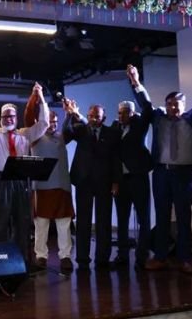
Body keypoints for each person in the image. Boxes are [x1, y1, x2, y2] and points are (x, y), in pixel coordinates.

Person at [127, 64, 192, 275]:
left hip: (184, 174)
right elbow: (145, 104)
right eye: (169, 104)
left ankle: (185, 259)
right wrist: (135, 82)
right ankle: (160, 257)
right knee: (162, 216)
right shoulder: (158, 117)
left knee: (183, 216)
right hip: (161, 173)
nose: (172, 107)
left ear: (184, 105)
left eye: (176, 104)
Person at [0, 78, 49, 267]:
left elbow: (44, 123)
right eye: (5, 116)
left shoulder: (24, 134)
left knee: (22, 223)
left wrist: (41, 98)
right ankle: (1, 263)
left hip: (21, 182)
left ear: (16, 119)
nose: (8, 119)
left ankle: (21, 262)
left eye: (11, 117)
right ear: (0, 118)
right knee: (1, 223)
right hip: (2, 181)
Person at [64, 100, 121, 271]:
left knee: (104, 222)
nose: (93, 119)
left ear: (104, 118)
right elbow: (65, 135)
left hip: (105, 182)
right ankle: (82, 259)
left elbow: (116, 159)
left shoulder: (111, 133)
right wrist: (69, 115)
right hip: (83, 181)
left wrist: (116, 182)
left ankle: (102, 259)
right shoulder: (81, 129)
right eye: (90, 116)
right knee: (83, 222)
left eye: (97, 116)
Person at [29, 108, 75, 272]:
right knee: (41, 224)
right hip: (41, 188)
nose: (52, 125)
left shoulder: (62, 136)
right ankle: (41, 256)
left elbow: (70, 128)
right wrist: (37, 98)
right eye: (49, 122)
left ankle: (65, 256)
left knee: (64, 224)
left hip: (62, 186)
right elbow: (29, 116)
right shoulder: (35, 136)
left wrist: (70, 113)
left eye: (55, 122)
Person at [110, 97, 153, 270]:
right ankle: (122, 255)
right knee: (122, 219)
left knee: (143, 218)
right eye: (119, 113)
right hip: (120, 180)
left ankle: (142, 256)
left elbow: (148, 109)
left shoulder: (139, 125)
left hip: (138, 177)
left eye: (125, 113)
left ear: (132, 113)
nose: (121, 116)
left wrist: (137, 86)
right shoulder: (115, 128)